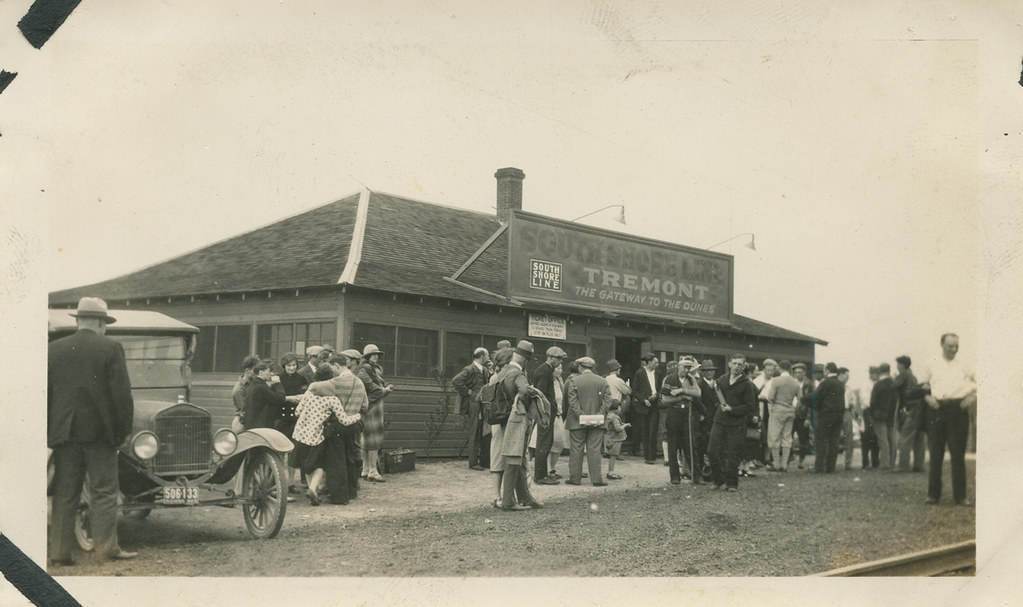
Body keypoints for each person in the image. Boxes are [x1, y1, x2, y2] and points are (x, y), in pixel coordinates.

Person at [48, 297, 137, 565]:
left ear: (78, 320)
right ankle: (106, 549)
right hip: (100, 436)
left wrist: (52, 432)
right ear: (100, 322)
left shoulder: (54, 349)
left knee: (65, 494)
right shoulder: (110, 348)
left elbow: (47, 394)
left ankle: (60, 553)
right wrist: (123, 432)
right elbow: (122, 396)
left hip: (64, 435)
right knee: (104, 493)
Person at [295, 355, 369, 505]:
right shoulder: (360, 382)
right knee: (351, 457)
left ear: (336, 365)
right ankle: (351, 492)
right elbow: (365, 406)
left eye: (332, 367)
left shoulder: (336, 382)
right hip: (354, 424)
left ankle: (338, 496)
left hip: (339, 425)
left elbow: (314, 387)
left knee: (336, 461)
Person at [919, 333, 977, 506]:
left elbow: (983, 381)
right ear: (942, 345)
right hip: (936, 410)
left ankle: (960, 496)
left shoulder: (965, 364)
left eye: (956, 346)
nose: (953, 349)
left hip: (957, 410)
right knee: (935, 454)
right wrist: (927, 398)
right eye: (950, 346)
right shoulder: (931, 363)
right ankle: (933, 495)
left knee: (958, 454)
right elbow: (923, 385)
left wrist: (972, 397)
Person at [496, 341, 546, 510]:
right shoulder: (518, 374)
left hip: (502, 419)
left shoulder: (502, 371)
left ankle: (524, 496)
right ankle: (509, 501)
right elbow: (524, 391)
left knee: (518, 457)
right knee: (515, 457)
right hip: (516, 419)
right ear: (525, 360)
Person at [707, 354, 757, 491]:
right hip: (719, 421)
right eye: (734, 363)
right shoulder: (721, 380)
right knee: (712, 451)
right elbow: (714, 397)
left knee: (733, 454)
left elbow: (749, 406)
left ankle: (732, 484)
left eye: (740, 364)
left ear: (744, 366)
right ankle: (718, 480)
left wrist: (732, 409)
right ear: (729, 364)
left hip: (736, 423)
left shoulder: (747, 384)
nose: (736, 367)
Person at [566, 356, 611, 487]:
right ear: (592, 368)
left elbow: (572, 402)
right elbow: (607, 401)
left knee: (576, 449)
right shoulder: (602, 381)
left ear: (580, 367)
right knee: (594, 449)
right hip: (597, 422)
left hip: (577, 421)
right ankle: (597, 479)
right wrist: (598, 415)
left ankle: (575, 478)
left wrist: (582, 416)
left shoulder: (574, 381)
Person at [660, 356, 705, 485]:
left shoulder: (691, 380)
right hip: (674, 413)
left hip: (687, 414)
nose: (687, 370)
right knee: (673, 446)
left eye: (689, 367)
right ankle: (674, 476)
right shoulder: (668, 379)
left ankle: (696, 476)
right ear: (678, 367)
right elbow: (665, 399)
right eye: (685, 367)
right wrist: (683, 397)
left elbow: (698, 393)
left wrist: (683, 391)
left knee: (690, 445)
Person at [357, 344, 393, 483]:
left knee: (368, 438)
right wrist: (384, 390)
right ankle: (372, 470)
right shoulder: (363, 369)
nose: (376, 356)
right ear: (367, 356)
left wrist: (385, 387)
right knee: (372, 438)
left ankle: (366, 469)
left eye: (377, 354)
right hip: (370, 406)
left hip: (376, 405)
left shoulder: (375, 369)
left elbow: (377, 386)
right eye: (373, 354)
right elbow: (371, 387)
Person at [451, 347, 490, 470]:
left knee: (484, 431)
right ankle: (473, 463)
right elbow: (456, 381)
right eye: (487, 355)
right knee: (474, 431)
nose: (488, 358)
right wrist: (469, 393)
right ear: (482, 356)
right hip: (474, 405)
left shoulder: (484, 369)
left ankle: (484, 461)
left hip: (483, 404)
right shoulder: (469, 369)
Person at [531, 346, 566, 484]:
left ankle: (543, 474)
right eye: (558, 358)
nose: (560, 361)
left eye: (561, 358)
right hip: (545, 414)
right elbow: (541, 395)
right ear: (550, 357)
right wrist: (544, 414)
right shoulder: (544, 371)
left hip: (548, 413)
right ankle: (540, 476)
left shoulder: (547, 370)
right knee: (543, 443)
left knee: (547, 442)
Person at [277, 352, 309, 493]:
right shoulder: (278, 378)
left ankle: (290, 483)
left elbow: (306, 393)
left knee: (293, 451)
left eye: (294, 365)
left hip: (296, 418)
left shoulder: (301, 378)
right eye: (289, 365)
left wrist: (301, 397)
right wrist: (289, 398)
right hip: (281, 418)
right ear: (284, 366)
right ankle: (279, 481)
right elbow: (277, 397)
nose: (291, 368)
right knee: (280, 451)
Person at [762, 360, 801, 472]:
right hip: (790, 410)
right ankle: (784, 464)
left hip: (778, 410)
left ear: (780, 368)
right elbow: (800, 398)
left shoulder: (776, 381)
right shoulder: (795, 382)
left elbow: (770, 397)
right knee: (787, 437)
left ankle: (777, 464)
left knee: (774, 436)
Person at [244, 362, 301, 431]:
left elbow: (272, 397)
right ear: (261, 372)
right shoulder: (261, 387)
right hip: (260, 427)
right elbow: (279, 398)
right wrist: (278, 383)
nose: (272, 374)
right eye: (269, 371)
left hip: (254, 425)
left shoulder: (255, 384)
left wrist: (289, 398)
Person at [893, 355, 926, 473]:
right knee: (918, 438)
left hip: (911, 410)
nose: (897, 366)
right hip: (919, 408)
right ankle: (919, 465)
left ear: (902, 365)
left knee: (905, 437)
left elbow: (894, 386)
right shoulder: (913, 376)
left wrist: (894, 378)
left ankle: (903, 465)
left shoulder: (904, 374)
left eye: (898, 364)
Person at [812, 363, 846, 473]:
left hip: (826, 415)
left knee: (821, 441)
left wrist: (805, 400)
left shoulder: (826, 383)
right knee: (834, 442)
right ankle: (831, 468)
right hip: (838, 416)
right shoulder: (840, 384)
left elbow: (816, 397)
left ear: (827, 370)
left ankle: (819, 467)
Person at [631, 353, 663, 464]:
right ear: (648, 362)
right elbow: (634, 390)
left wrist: (656, 395)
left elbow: (661, 389)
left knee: (653, 429)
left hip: (654, 404)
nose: (657, 364)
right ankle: (647, 456)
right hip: (644, 404)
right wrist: (644, 400)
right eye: (655, 362)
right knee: (645, 430)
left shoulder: (658, 374)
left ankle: (652, 457)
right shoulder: (640, 373)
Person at [693, 359, 720, 482]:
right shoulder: (699, 384)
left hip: (716, 418)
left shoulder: (717, 384)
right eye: (706, 371)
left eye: (711, 371)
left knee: (716, 446)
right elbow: (697, 402)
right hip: (704, 419)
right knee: (703, 446)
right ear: (702, 372)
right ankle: (703, 472)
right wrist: (701, 414)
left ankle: (715, 471)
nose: (709, 373)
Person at [869, 362, 898, 470]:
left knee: (882, 440)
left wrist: (871, 414)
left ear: (880, 372)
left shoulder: (878, 385)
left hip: (879, 415)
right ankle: (892, 462)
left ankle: (885, 463)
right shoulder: (894, 384)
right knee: (891, 439)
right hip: (891, 415)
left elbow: (873, 401)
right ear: (889, 371)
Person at [791, 363, 813, 469]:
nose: (797, 374)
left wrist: (808, 418)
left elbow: (811, 403)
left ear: (804, 372)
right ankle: (789, 458)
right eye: (795, 372)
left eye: (799, 372)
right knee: (788, 437)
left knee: (803, 439)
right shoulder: (791, 382)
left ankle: (801, 460)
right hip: (791, 413)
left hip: (802, 415)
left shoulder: (809, 384)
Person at [231, 355, 261, 432]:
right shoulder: (239, 389)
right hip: (242, 425)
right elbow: (246, 409)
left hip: (253, 422)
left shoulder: (254, 384)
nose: (258, 374)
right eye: (255, 371)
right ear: (247, 370)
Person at [859, 366, 881, 469]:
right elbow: (865, 400)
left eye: (878, 373)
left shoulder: (877, 384)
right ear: (871, 374)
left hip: (876, 412)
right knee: (867, 436)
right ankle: (865, 462)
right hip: (868, 411)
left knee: (875, 437)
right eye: (875, 373)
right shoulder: (865, 385)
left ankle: (875, 461)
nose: (877, 375)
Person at [840, 368, 861, 471]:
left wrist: (853, 411)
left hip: (846, 412)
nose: (847, 378)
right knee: (834, 437)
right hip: (835, 412)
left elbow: (853, 401)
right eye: (845, 375)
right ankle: (830, 463)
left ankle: (848, 463)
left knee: (848, 437)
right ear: (840, 375)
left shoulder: (848, 389)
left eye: (848, 376)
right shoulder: (834, 386)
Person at [604, 400, 629, 480]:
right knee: (613, 456)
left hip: (609, 438)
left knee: (612, 456)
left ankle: (610, 472)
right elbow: (618, 429)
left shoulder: (608, 415)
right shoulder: (615, 417)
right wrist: (625, 425)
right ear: (617, 408)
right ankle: (611, 472)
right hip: (615, 439)